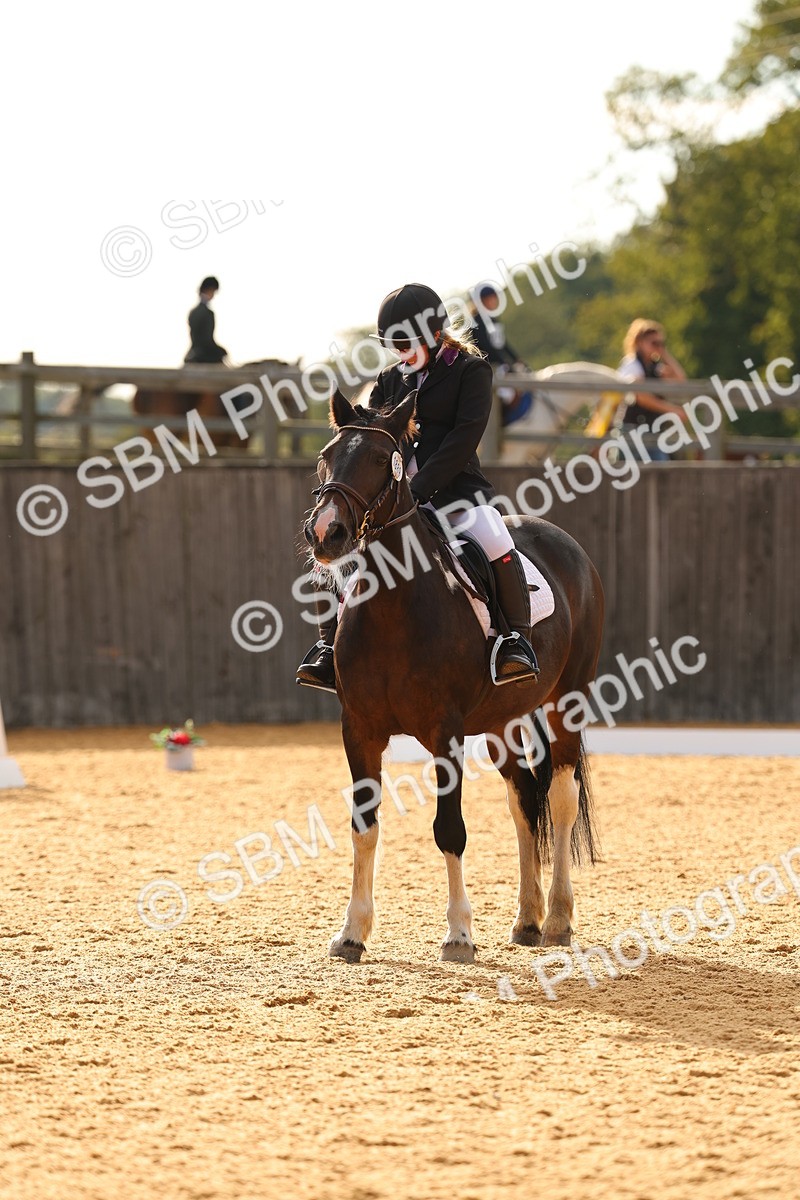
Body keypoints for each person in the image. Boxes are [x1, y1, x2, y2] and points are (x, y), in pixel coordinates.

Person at [296, 282, 540, 694]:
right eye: (393, 344)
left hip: (457, 492)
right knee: (335, 550)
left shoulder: (471, 371)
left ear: (432, 332)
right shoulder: (390, 378)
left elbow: (464, 438)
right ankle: (326, 649)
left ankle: (515, 641)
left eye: (405, 342)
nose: (400, 352)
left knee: (495, 535)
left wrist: (421, 486)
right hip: (393, 500)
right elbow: (373, 429)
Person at [617, 319, 688, 460]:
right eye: (654, 343)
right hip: (632, 429)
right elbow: (641, 397)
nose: (658, 347)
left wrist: (665, 355)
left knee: (659, 472)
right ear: (639, 342)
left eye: (662, 343)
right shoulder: (631, 365)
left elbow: (681, 380)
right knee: (628, 474)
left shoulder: (655, 367)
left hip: (652, 429)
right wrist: (672, 410)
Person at [469, 285, 532, 426]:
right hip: (486, 366)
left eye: (494, 297)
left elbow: (502, 344)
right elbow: (486, 347)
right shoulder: (476, 322)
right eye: (491, 298)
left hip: (499, 365)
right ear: (481, 301)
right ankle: (496, 426)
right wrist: (506, 364)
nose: (495, 301)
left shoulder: (493, 319)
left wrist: (517, 360)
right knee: (507, 393)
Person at [183, 276, 228, 364]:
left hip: (193, 352)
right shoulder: (208, 313)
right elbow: (207, 340)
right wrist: (221, 351)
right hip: (204, 355)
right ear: (210, 290)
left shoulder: (193, 312)